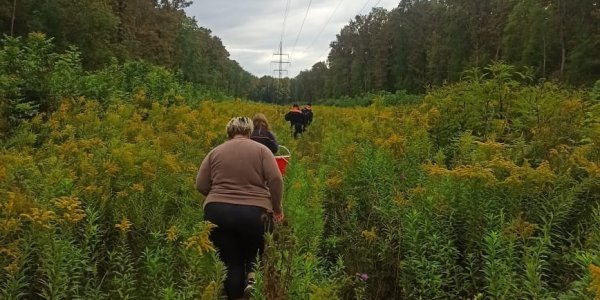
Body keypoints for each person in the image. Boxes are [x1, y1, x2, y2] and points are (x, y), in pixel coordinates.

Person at [196, 116, 284, 300]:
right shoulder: (262, 150)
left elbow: (201, 184)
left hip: (218, 213)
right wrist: (277, 208)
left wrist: (218, 196)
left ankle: (235, 295)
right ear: (249, 132)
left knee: (231, 261)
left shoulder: (215, 152)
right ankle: (252, 281)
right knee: (256, 251)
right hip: (255, 213)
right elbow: (276, 179)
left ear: (229, 132)